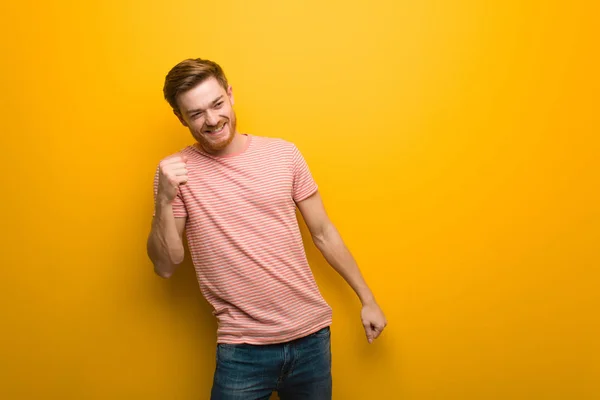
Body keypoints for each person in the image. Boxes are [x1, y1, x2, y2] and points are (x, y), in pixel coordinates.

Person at [146, 58, 387, 399]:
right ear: (180, 117)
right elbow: (166, 265)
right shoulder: (176, 174)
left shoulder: (284, 154)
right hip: (242, 350)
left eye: (217, 104)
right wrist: (164, 202)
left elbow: (324, 233)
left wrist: (368, 299)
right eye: (196, 113)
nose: (213, 120)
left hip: (312, 339)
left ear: (230, 94)